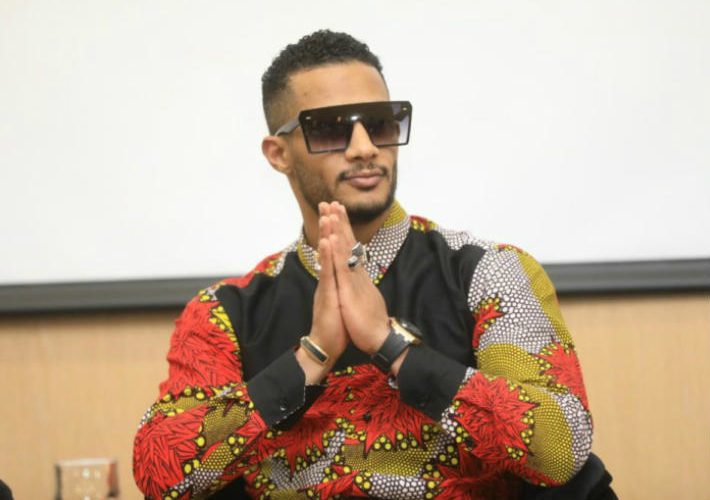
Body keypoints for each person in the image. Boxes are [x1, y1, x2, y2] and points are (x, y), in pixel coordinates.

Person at [133, 30, 593, 500]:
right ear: (279, 154)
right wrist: (311, 357)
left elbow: (562, 448)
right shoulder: (226, 312)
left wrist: (393, 348)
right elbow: (160, 473)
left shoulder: (488, 272)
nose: (364, 147)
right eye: (332, 129)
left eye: (380, 124)